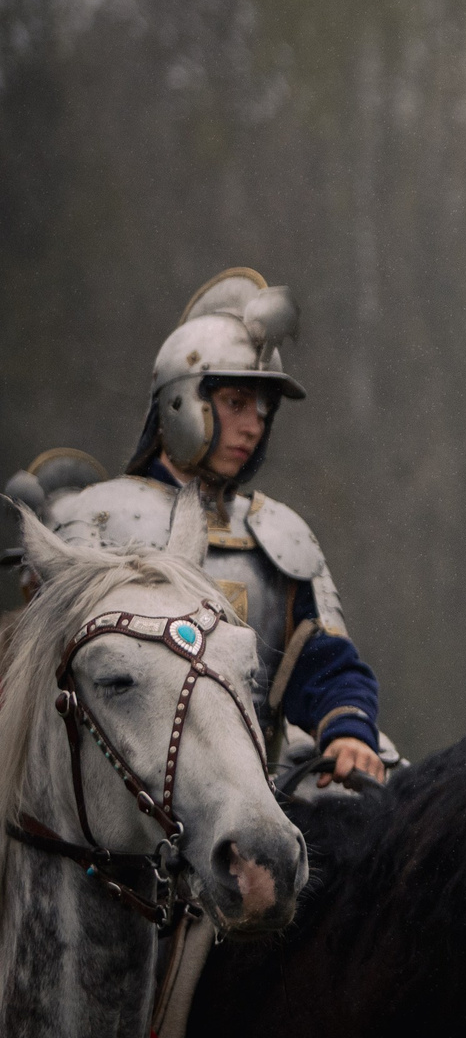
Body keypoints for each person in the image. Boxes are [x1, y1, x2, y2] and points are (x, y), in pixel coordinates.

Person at [37, 269, 387, 786]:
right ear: (181, 400)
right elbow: (43, 686)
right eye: (236, 403)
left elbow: (326, 665)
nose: (253, 426)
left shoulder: (281, 534)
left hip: (256, 793)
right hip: (118, 801)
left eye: (263, 410)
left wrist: (349, 732)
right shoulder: (95, 521)